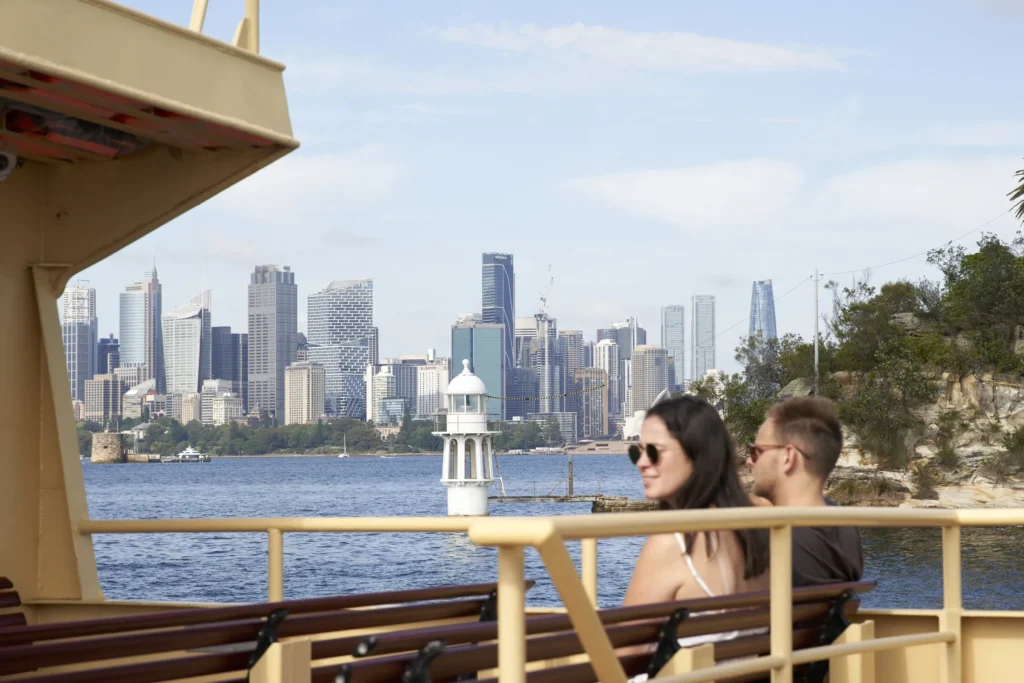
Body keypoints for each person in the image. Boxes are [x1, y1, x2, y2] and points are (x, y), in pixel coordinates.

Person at [623, 394, 770, 615]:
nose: (642, 463)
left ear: (698, 453)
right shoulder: (764, 519)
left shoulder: (672, 544)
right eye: (637, 453)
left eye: (654, 452)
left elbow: (626, 646)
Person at [747, 396, 864, 586]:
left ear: (788, 457)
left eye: (756, 452)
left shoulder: (777, 541)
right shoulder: (845, 527)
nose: (749, 461)